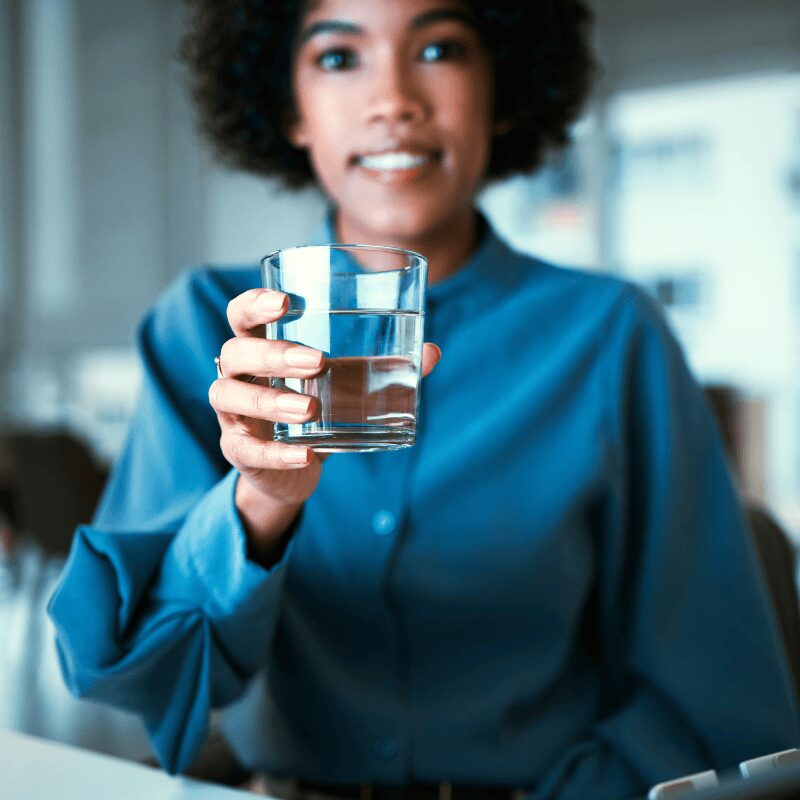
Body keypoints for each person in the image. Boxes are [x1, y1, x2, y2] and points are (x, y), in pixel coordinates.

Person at [48, 1, 800, 798]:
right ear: (286, 109)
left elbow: (717, 697)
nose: (394, 97)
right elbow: (129, 676)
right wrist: (258, 505)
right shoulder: (202, 324)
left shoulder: (612, 336)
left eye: (440, 49)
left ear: (503, 90)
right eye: (339, 58)